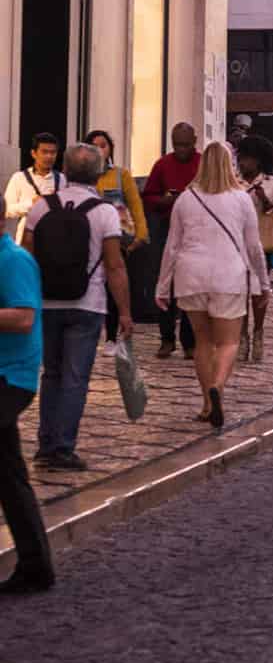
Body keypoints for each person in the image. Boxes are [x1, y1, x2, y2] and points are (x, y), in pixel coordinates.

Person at [22, 143, 133, 470]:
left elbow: (26, 257)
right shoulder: (105, 212)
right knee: (75, 377)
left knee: (51, 374)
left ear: (66, 170)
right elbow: (114, 265)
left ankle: (45, 444)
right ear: (98, 174)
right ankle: (63, 448)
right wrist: (125, 311)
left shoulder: (41, 207)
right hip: (88, 303)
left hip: (46, 302)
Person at [157, 141, 268, 431]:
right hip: (228, 275)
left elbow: (172, 246)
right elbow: (254, 246)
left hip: (191, 275)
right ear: (230, 164)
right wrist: (263, 282)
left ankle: (207, 403)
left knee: (202, 342)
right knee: (228, 342)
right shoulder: (241, 198)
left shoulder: (186, 198)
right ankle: (218, 386)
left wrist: (162, 286)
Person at [0, 220, 51, 593]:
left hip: (11, 377)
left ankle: (36, 567)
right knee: (9, 475)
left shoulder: (13, 260)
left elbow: (23, 317)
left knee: (10, 475)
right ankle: (36, 568)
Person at [142, 123, 203, 359]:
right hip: (166, 227)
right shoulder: (162, 165)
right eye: (177, 145)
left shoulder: (202, 164)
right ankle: (166, 338)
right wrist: (164, 201)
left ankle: (190, 341)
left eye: (185, 145)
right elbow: (148, 196)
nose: (181, 150)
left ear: (194, 141)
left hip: (194, 229)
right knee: (165, 281)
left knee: (190, 285)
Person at [83, 130, 147, 343]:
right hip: (89, 238)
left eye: (103, 145)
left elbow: (135, 204)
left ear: (110, 149)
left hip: (117, 236)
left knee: (114, 287)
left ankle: (111, 336)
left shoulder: (121, 175)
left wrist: (140, 234)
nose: (99, 150)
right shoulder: (82, 178)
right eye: (94, 146)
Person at [234, 135, 273, 364]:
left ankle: (258, 331)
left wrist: (263, 198)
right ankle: (242, 336)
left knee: (258, 290)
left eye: (247, 158)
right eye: (241, 157)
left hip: (261, 243)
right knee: (241, 291)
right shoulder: (234, 182)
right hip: (237, 243)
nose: (243, 162)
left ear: (259, 160)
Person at [7, 134, 63, 243]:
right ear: (33, 153)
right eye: (44, 152)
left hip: (55, 239)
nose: (49, 156)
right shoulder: (19, 177)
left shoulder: (62, 179)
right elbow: (7, 210)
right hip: (26, 241)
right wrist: (31, 204)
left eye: (53, 152)